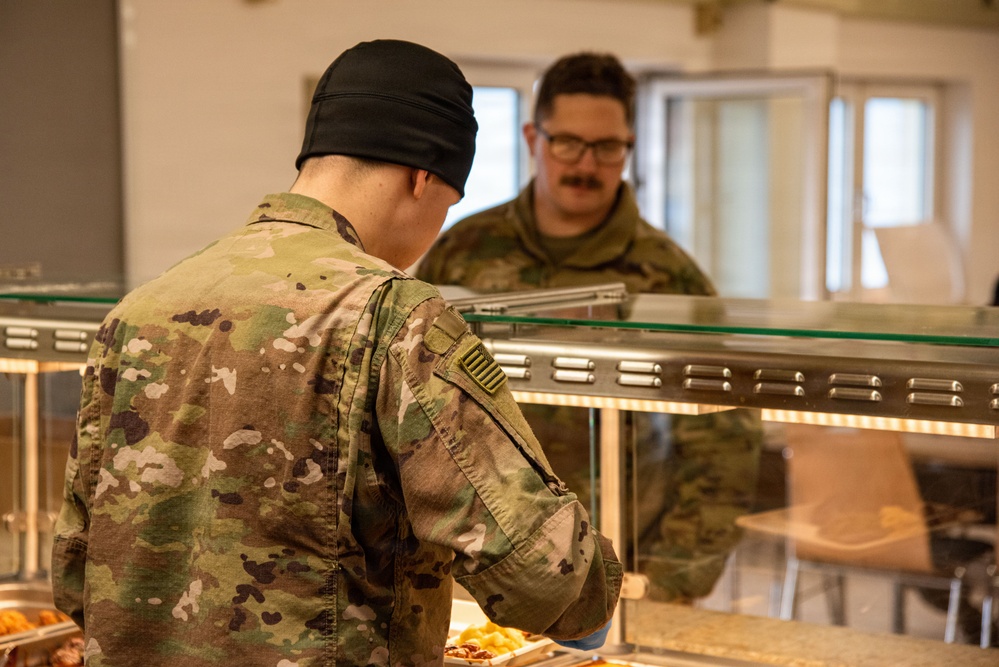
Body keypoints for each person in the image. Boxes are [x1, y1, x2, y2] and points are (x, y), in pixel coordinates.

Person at [50, 39, 621, 666]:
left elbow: (76, 575)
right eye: (449, 204)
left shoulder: (136, 312)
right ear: (422, 177)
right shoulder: (395, 315)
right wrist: (596, 598)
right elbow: (547, 581)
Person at [417, 52, 763, 604]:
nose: (586, 164)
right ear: (533, 138)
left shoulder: (667, 275)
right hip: (475, 558)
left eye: (606, 148)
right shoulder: (462, 250)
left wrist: (673, 579)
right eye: (568, 143)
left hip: (617, 560)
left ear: (630, 146)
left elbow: (723, 437)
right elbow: (417, 399)